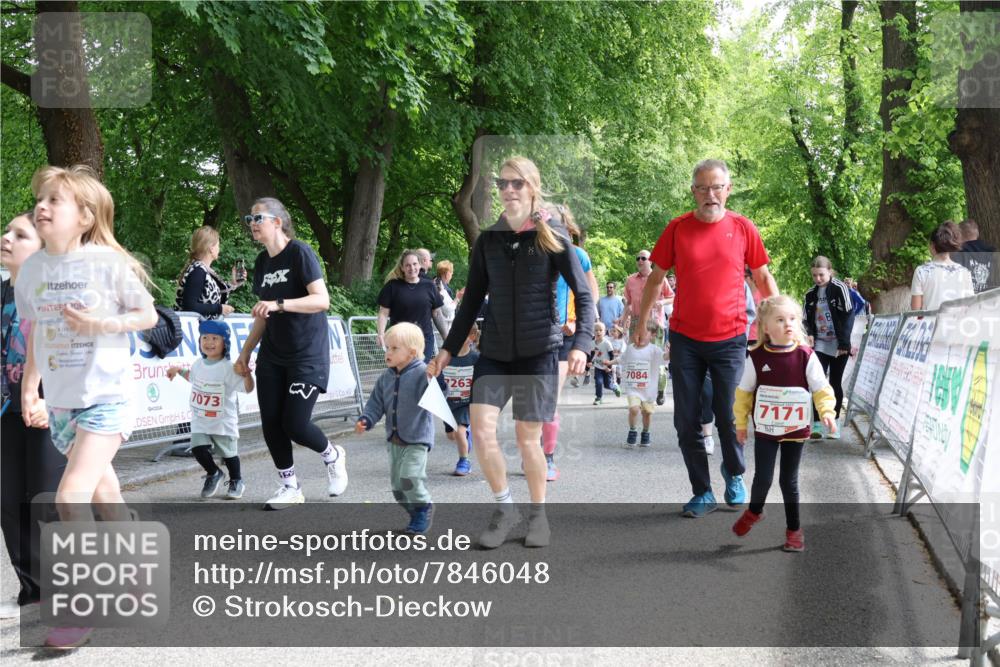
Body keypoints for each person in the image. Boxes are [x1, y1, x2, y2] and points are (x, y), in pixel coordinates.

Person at [16, 165, 158, 648]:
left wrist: (101, 325)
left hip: (106, 398)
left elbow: (147, 314)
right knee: (106, 498)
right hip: (62, 405)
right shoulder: (33, 270)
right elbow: (36, 332)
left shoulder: (105, 263)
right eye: (40, 199)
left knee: (70, 496)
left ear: (84, 216)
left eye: (55, 200)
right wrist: (30, 389)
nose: (42, 206)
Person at [427, 156, 594, 550]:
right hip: (496, 351)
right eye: (503, 183)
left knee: (526, 439)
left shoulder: (552, 234)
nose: (509, 190)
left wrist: (583, 344)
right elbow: (470, 303)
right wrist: (448, 350)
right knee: (481, 429)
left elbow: (584, 294)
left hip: (539, 351)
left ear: (532, 187)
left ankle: (538, 516)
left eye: (517, 183)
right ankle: (505, 509)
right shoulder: (489, 241)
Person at [636, 159, 777, 519]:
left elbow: (762, 278)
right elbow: (655, 279)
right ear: (693, 191)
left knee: (729, 415)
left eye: (717, 187)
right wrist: (641, 323)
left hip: (730, 338)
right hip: (686, 339)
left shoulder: (743, 228)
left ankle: (734, 471)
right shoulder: (678, 228)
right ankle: (702, 491)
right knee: (686, 421)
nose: (710, 194)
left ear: (728, 190)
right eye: (702, 188)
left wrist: (778, 320)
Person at [233, 197, 346, 510]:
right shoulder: (262, 263)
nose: (252, 224)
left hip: (306, 353)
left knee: (295, 423)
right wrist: (245, 352)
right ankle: (290, 486)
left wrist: (279, 304)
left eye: (258, 218)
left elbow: (321, 300)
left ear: (277, 222)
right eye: (249, 219)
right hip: (272, 355)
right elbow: (262, 315)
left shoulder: (300, 252)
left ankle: (333, 455)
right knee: (271, 423)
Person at [732, 295, 837, 552]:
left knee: (788, 482)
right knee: (762, 478)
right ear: (766, 328)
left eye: (792, 319)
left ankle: (794, 531)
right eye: (780, 320)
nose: (788, 324)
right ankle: (755, 510)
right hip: (766, 430)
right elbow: (744, 393)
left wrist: (827, 411)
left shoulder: (806, 356)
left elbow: (821, 388)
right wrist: (741, 424)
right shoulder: (755, 357)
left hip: (795, 430)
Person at [1, 212, 66, 621]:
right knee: (8, 501)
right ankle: (32, 591)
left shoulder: (53, 290)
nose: (6, 237)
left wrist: (48, 398)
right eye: (7, 231)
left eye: (19, 234)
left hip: (49, 406)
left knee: (44, 500)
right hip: (6, 410)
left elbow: (71, 351)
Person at [355, 323, 435, 534]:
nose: (388, 352)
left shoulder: (422, 373)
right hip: (394, 440)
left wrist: (436, 379)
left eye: (394, 348)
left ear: (411, 353)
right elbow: (375, 403)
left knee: (409, 477)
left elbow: (437, 396)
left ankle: (423, 507)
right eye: (387, 348)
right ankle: (415, 512)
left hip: (417, 438)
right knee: (398, 489)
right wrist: (366, 419)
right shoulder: (385, 377)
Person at [167, 320, 253, 499]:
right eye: (205, 338)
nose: (209, 342)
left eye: (215, 338)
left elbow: (247, 389)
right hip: (201, 419)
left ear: (225, 343)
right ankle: (213, 473)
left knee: (229, 455)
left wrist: (247, 375)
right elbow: (193, 377)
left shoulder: (229, 367)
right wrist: (178, 371)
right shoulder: (198, 364)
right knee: (197, 448)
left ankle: (236, 480)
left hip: (223, 421)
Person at [803, 256, 855, 439]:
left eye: (821, 275)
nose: (818, 279)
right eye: (814, 275)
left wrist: (844, 343)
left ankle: (835, 423)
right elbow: (806, 319)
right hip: (820, 344)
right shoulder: (810, 294)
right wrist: (809, 333)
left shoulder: (840, 288)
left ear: (830, 272)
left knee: (835, 383)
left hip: (839, 344)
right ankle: (817, 425)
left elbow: (848, 315)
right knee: (817, 382)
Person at [377, 250, 448, 363]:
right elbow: (383, 313)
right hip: (400, 340)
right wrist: (381, 334)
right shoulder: (392, 286)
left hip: (424, 340)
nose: (412, 268)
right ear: (402, 268)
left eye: (415, 264)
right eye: (408, 265)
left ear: (419, 265)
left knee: (419, 369)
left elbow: (437, 314)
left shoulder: (429, 286)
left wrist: (446, 337)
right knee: (402, 370)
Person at [623, 249, 674, 404]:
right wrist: (623, 321)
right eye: (638, 258)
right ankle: (638, 395)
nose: (640, 260)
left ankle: (660, 388)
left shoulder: (659, 278)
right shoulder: (630, 280)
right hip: (636, 322)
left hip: (654, 323)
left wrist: (662, 302)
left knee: (656, 358)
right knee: (636, 359)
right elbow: (628, 303)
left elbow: (672, 296)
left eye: (643, 258)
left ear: (650, 261)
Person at [175, 225, 245, 319]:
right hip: (197, 327)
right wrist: (219, 309)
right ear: (211, 248)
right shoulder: (198, 271)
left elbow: (219, 294)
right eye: (218, 245)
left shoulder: (203, 270)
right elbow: (190, 306)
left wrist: (234, 283)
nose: (219, 249)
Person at [620, 321, 668, 447]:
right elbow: (622, 359)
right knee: (634, 409)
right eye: (639, 332)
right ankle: (632, 431)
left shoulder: (654, 350)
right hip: (633, 388)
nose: (641, 336)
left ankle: (646, 433)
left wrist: (672, 351)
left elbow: (665, 358)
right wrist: (610, 362)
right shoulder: (630, 348)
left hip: (648, 390)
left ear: (652, 335)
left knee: (647, 413)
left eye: (645, 333)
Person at [911, 221, 976, 312]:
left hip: (931, 321)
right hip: (958, 320)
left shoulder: (921, 271)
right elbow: (970, 307)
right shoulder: (965, 272)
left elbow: (915, 311)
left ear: (932, 246)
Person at [442, 324, 479, 476]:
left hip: (465, 403)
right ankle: (466, 434)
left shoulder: (476, 358)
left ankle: (464, 461)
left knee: (459, 431)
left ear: (472, 337)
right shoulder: (446, 357)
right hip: (448, 404)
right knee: (451, 435)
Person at [955, 219, 998, 294]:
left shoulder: (957, 254)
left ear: (960, 234)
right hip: (991, 298)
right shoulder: (993, 254)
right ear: (977, 233)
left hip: (966, 298)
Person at [591, 322, 620, 405]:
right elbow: (591, 354)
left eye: (600, 330)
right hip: (598, 367)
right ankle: (598, 398)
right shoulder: (592, 343)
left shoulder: (607, 343)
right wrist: (589, 362)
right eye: (596, 330)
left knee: (607, 385)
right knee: (598, 382)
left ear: (604, 332)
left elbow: (612, 356)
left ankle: (615, 388)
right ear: (593, 332)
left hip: (607, 367)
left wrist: (609, 367)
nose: (598, 332)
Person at [433, 260, 457, 334]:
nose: (452, 275)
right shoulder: (441, 288)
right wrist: (457, 299)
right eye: (451, 272)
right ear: (446, 274)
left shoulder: (434, 283)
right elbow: (447, 309)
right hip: (443, 329)